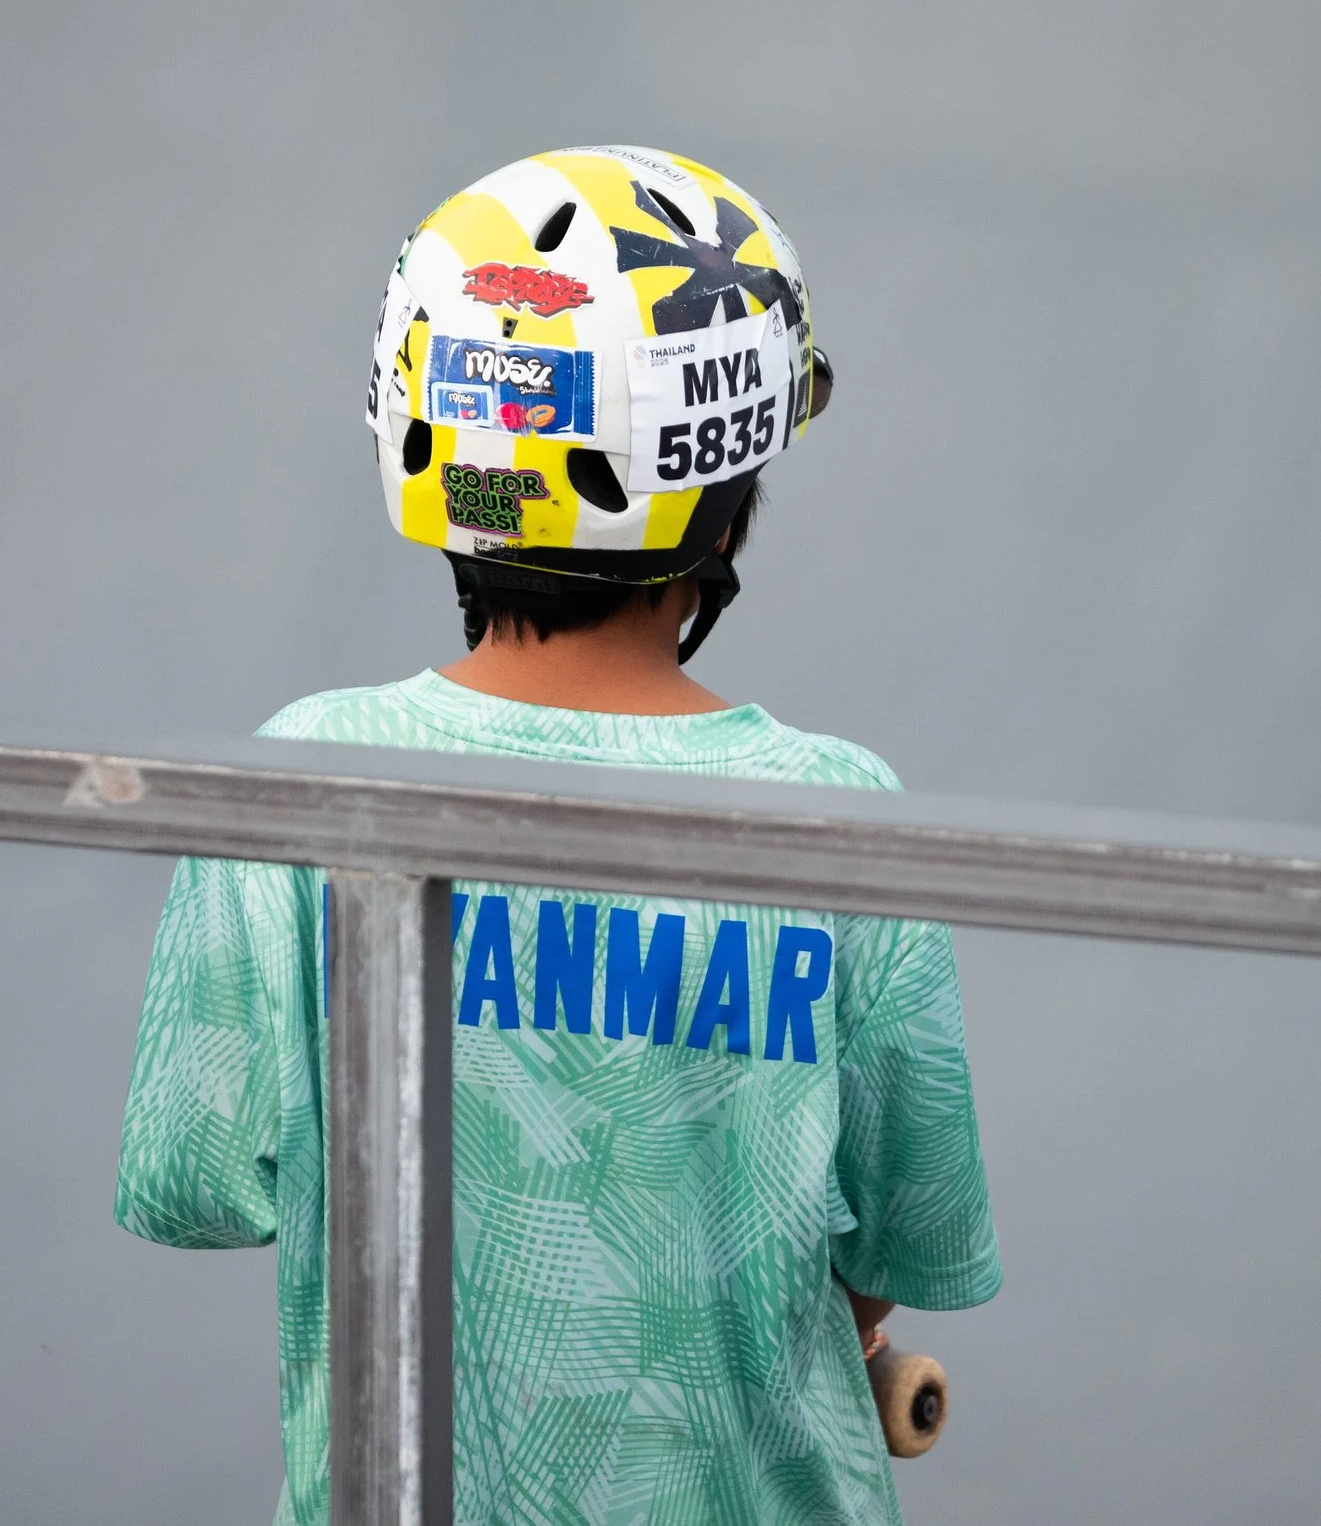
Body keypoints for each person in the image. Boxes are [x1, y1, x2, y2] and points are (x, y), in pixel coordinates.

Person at [114, 146, 1002, 1526]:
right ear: (728, 473)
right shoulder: (840, 810)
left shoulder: (298, 778)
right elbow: (902, 1237)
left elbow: (196, 1182)